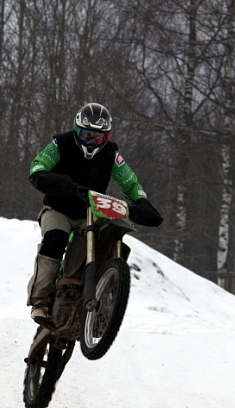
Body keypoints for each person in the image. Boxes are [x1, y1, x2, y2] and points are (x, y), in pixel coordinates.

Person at [26, 103, 163, 323]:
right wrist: (49, 179)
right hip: (58, 208)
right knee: (55, 238)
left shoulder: (111, 154)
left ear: (106, 136)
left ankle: (105, 307)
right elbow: (37, 166)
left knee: (106, 243)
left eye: (98, 136)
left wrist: (141, 201)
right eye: (87, 135)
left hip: (91, 211)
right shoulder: (60, 143)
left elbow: (130, 182)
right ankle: (40, 300)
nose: (92, 141)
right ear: (76, 129)